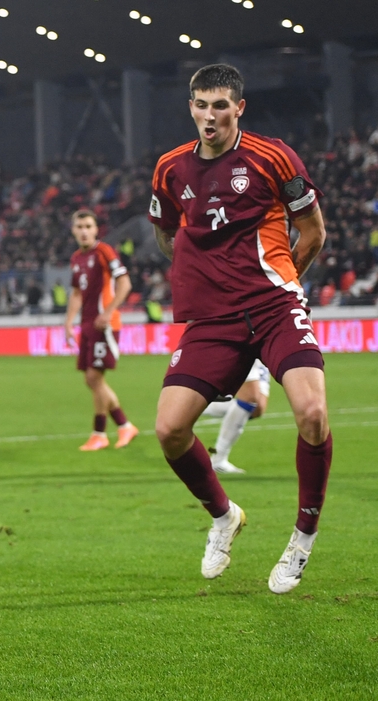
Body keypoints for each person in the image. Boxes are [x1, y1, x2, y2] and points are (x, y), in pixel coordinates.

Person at [149, 64, 329, 594]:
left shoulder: (273, 157)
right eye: (202, 105)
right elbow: (166, 234)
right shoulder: (169, 169)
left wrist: (283, 284)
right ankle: (224, 516)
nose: (210, 115)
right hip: (213, 319)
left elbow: (314, 232)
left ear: (239, 108)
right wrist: (203, 275)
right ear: (191, 107)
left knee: (312, 413)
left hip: (274, 307)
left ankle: (302, 538)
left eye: (221, 105)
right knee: (169, 430)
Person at [63, 210, 139, 451]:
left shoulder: (104, 251)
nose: (84, 231)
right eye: (79, 227)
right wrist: (68, 322)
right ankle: (125, 426)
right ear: (73, 230)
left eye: (88, 226)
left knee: (95, 377)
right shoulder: (77, 258)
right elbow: (76, 293)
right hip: (87, 325)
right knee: (91, 379)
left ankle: (100, 433)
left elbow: (125, 283)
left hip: (104, 325)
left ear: (96, 229)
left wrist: (108, 312)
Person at [200, 359, 270, 474]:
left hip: (261, 350)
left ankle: (188, 407)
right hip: (245, 346)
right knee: (250, 399)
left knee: (257, 408)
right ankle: (218, 460)